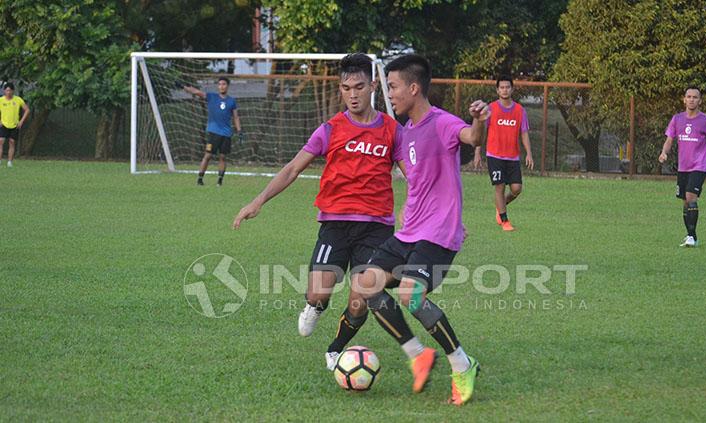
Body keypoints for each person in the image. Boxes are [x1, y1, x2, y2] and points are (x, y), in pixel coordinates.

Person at [232, 53, 406, 371]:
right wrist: (257, 201)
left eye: (358, 87)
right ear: (340, 89)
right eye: (345, 88)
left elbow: (415, 177)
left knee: (361, 297)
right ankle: (314, 306)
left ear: (371, 88)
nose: (352, 94)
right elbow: (292, 169)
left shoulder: (393, 131)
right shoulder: (330, 129)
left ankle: (336, 348)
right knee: (317, 293)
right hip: (335, 225)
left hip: (376, 227)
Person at [352, 54, 487, 406]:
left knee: (410, 295)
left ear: (414, 88)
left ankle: (461, 363)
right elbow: (420, 182)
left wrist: (478, 121)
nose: (390, 94)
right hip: (408, 231)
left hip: (437, 234)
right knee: (366, 284)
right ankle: (418, 355)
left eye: (394, 87)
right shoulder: (406, 132)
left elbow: (471, 136)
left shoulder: (442, 123)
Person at [659, 87, 706, 247]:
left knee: (691, 197)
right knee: (685, 202)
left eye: (695, 97)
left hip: (699, 166)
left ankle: (692, 238)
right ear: (684, 99)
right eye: (689, 96)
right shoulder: (677, 119)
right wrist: (664, 152)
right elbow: (669, 140)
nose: (692, 99)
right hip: (683, 167)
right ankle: (690, 236)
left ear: (700, 101)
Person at [473, 75, 533, 231]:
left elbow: (524, 133)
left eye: (507, 87)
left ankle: (501, 206)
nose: (505, 90)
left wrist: (529, 153)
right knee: (499, 187)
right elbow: (481, 132)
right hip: (494, 155)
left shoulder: (520, 110)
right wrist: (477, 152)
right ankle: (505, 221)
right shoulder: (490, 109)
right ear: (497, 90)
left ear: (512, 89)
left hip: (512, 156)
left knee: (516, 189)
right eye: (502, 87)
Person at [184, 77, 241, 186]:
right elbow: (197, 92)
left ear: (227, 86)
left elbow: (236, 117)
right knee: (208, 155)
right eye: (219, 84)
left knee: (223, 157)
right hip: (213, 133)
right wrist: (184, 87)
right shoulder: (211, 97)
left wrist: (239, 131)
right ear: (218, 86)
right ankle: (200, 179)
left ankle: (219, 180)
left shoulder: (231, 101)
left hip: (226, 134)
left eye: (224, 84)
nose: (222, 86)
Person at [0, 82, 31, 168]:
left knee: (12, 142)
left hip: (14, 125)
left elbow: (27, 110)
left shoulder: (18, 100)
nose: (8, 92)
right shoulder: (1, 100)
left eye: (10, 90)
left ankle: (9, 162)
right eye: (7, 90)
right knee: (1, 141)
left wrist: (21, 121)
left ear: (13, 91)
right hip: (4, 125)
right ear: (4, 91)